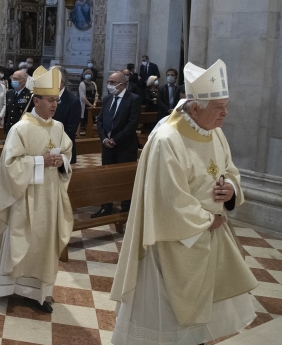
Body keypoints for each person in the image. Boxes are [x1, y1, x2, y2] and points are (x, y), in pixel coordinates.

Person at [110, 59, 258, 344]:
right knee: (168, 316)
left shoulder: (214, 132)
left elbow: (229, 170)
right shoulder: (168, 139)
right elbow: (168, 199)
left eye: (226, 106)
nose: (225, 113)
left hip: (209, 237)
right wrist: (208, 220)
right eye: (219, 107)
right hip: (173, 242)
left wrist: (231, 188)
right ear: (195, 108)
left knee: (202, 311)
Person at [0, 66, 73, 314]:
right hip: (24, 196)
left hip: (49, 197)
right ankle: (9, 286)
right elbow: (9, 165)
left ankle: (38, 291)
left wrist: (62, 161)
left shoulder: (58, 127)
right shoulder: (20, 128)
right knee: (21, 239)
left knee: (43, 243)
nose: (54, 105)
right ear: (36, 100)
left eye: (56, 100)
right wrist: (40, 161)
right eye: (50, 100)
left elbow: (66, 153)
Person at [92, 71, 141, 218]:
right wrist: (104, 139)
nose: (109, 85)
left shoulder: (133, 99)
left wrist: (116, 140)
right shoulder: (107, 98)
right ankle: (106, 207)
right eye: (109, 82)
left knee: (125, 178)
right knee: (107, 177)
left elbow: (132, 124)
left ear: (122, 84)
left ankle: (126, 209)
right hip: (107, 146)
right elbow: (100, 119)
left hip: (125, 146)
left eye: (112, 82)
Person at [53, 67, 80, 164]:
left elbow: (70, 130)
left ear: (61, 81)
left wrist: (53, 146)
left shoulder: (73, 101)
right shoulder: (43, 97)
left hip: (63, 149)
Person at [3, 70, 32, 134]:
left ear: (23, 81)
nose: (13, 81)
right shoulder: (9, 93)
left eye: (16, 79)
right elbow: (7, 114)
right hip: (10, 130)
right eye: (13, 78)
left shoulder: (30, 95)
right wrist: (5, 129)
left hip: (22, 130)